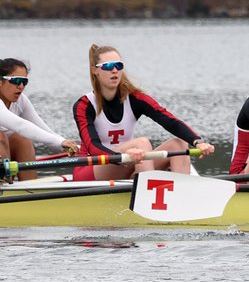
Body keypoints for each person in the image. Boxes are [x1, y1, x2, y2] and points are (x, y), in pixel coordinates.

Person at [72, 45, 214, 181]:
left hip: (130, 162)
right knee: (142, 143)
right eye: (108, 66)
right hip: (92, 169)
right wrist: (121, 156)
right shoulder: (84, 105)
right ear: (94, 70)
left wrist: (198, 142)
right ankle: (148, 192)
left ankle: (182, 194)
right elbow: (93, 146)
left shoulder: (135, 98)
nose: (114, 70)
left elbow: (170, 121)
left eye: (119, 65)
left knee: (179, 144)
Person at [0, 58, 80, 181]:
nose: (21, 86)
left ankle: (29, 187)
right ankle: (4, 186)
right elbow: (21, 126)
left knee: (22, 140)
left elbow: (43, 131)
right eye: (16, 81)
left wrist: (68, 145)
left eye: (24, 82)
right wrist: (59, 142)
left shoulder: (21, 101)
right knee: (1, 137)